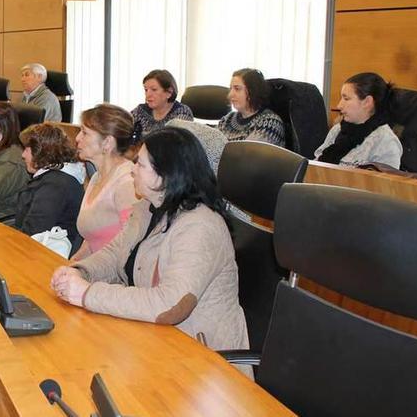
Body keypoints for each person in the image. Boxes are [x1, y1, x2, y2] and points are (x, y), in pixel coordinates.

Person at [51, 126, 249, 353]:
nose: (132, 170)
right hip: (153, 340)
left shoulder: (201, 227)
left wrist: (87, 294)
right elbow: (115, 253)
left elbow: (170, 305)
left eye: (140, 164)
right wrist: (79, 272)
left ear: (166, 174)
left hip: (201, 360)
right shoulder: (148, 207)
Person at [73, 104, 141, 260]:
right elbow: (93, 240)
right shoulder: (96, 177)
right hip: (95, 270)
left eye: (84, 133)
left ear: (107, 143)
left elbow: (130, 248)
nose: (77, 138)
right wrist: (72, 264)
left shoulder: (127, 184)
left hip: (112, 277)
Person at [15, 123, 86, 247]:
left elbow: (33, 233)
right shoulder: (52, 178)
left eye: (26, 149)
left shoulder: (55, 186)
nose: (23, 155)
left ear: (40, 152)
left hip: (44, 253)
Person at [314, 72, 402, 168]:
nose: (339, 105)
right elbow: (315, 166)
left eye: (346, 99)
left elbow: (383, 182)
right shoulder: (338, 129)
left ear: (367, 102)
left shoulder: (386, 142)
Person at [217, 68, 285, 146]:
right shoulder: (227, 119)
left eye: (237, 89)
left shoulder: (270, 123)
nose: (230, 95)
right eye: (231, 89)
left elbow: (244, 155)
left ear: (253, 91)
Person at [130, 69, 193, 135]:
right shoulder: (140, 110)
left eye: (154, 90)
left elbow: (175, 140)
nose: (148, 94)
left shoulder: (182, 112)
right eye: (146, 90)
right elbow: (123, 126)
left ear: (169, 92)